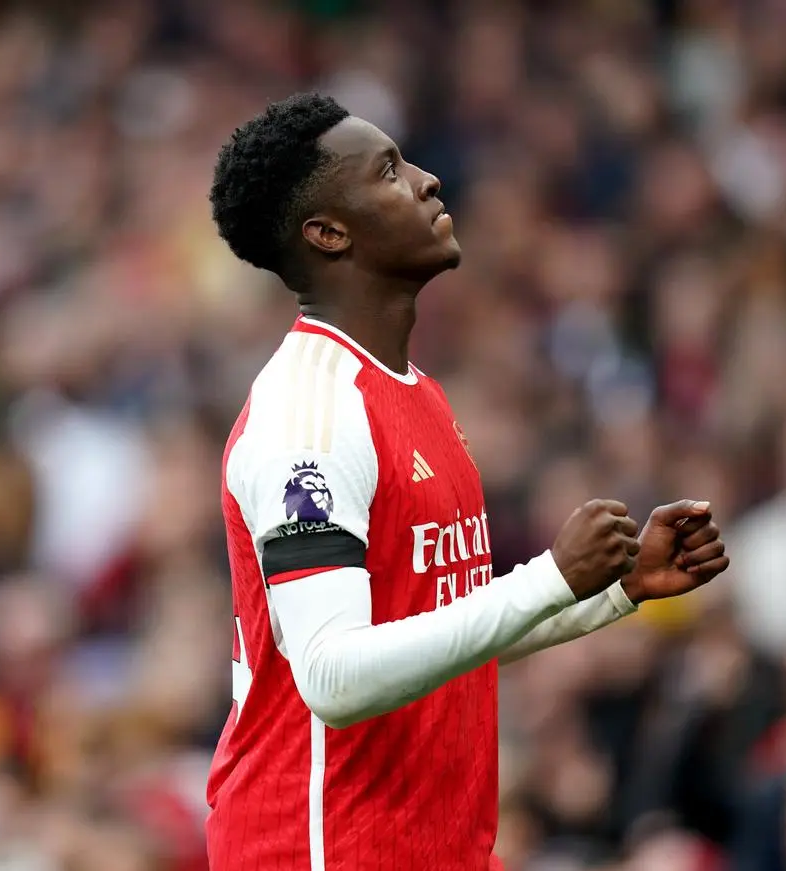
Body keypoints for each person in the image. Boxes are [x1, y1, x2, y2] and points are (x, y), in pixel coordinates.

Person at [203, 93, 731, 871]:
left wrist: (609, 592)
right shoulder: (308, 412)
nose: (426, 180)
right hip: (322, 847)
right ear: (327, 232)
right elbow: (333, 675)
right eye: (389, 170)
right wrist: (550, 575)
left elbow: (449, 630)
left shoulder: (413, 389)